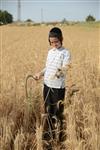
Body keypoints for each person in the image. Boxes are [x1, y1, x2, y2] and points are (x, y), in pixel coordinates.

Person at [34, 27, 71, 142]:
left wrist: (58, 73)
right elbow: (48, 67)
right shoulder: (50, 52)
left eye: (56, 41)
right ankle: (50, 134)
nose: (54, 44)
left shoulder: (66, 53)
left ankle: (58, 137)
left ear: (61, 39)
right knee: (48, 111)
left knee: (57, 112)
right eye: (51, 42)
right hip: (47, 85)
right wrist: (40, 73)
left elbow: (65, 68)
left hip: (58, 88)